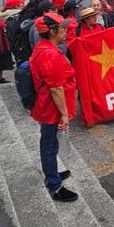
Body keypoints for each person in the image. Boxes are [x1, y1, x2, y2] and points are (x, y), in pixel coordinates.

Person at [29, 12, 79, 202]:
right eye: (62, 28)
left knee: (51, 142)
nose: (66, 31)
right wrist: (64, 114)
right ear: (52, 31)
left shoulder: (47, 48)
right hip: (51, 108)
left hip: (50, 105)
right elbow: (56, 88)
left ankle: (53, 172)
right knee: (49, 144)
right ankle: (54, 184)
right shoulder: (49, 54)